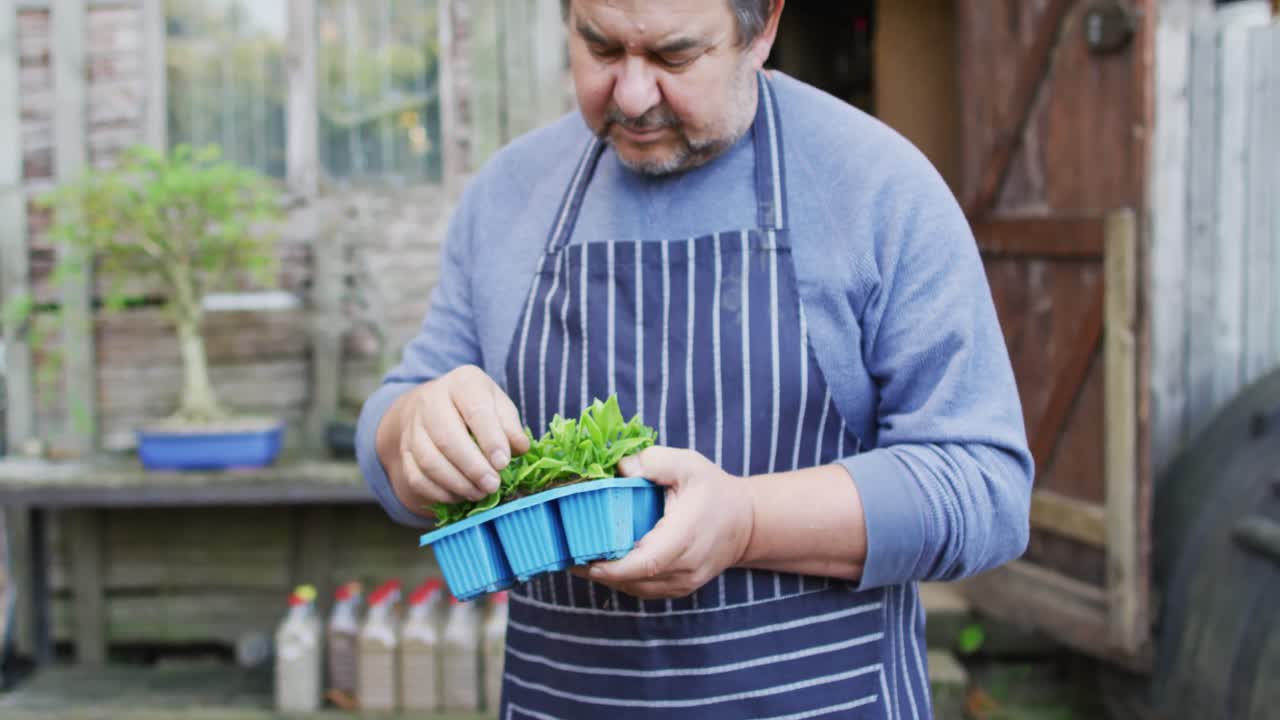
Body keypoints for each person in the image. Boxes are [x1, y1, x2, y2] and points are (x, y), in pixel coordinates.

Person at [356, 0, 1034, 717]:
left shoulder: (875, 188)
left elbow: (983, 485)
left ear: (763, 26)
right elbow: (395, 426)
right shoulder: (510, 194)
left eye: (674, 57)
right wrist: (408, 430)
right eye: (601, 48)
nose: (633, 94)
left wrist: (744, 520)